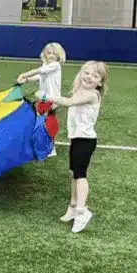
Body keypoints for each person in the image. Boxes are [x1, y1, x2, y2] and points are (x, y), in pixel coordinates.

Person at [40, 61, 108, 234]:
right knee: (74, 173)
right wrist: (53, 105)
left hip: (86, 141)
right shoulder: (80, 92)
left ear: (100, 82)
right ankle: (73, 205)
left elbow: (69, 102)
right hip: (77, 139)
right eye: (87, 73)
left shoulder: (92, 95)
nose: (89, 77)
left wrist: (47, 96)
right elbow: (69, 103)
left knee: (80, 175)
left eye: (95, 76)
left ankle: (82, 211)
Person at [16, 42, 66, 158]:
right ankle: (43, 145)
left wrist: (24, 75)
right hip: (44, 100)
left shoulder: (55, 65)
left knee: (46, 123)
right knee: (41, 122)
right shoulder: (46, 66)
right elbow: (38, 76)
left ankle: (50, 148)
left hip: (52, 99)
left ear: (59, 55)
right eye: (49, 53)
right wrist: (27, 80)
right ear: (44, 54)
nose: (51, 56)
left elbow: (39, 71)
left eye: (54, 54)